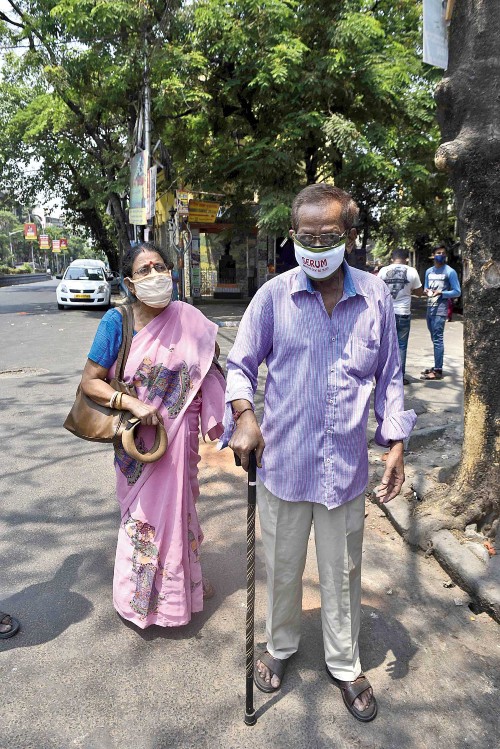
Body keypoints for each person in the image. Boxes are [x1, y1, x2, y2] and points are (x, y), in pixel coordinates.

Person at [222, 184, 416, 722]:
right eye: (305, 237)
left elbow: (390, 377)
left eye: (328, 237)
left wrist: (396, 441)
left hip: (345, 471)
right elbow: (239, 367)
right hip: (283, 466)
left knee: (343, 571)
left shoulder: (375, 297)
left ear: (350, 238)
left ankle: (345, 662)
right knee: (282, 569)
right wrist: (244, 417)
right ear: (292, 236)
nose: (315, 248)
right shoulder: (273, 296)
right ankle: (279, 646)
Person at [80, 242, 225, 628]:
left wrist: (229, 421)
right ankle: (141, 601)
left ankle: (183, 588)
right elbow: (90, 382)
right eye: (144, 270)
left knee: (182, 511)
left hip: (181, 443)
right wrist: (132, 405)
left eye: (160, 266)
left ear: (172, 273)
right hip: (137, 445)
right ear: (129, 282)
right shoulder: (118, 322)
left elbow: (210, 371)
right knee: (142, 520)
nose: (154, 275)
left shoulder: (189, 318)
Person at [378, 248, 423, 384]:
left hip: (386, 313)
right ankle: (399, 377)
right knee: (401, 346)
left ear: (392, 258)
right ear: (406, 259)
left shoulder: (383, 271)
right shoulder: (412, 271)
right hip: (403, 313)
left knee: (384, 345)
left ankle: (383, 376)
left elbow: (376, 289)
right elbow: (419, 292)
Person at [421, 246, 461, 381]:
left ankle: (438, 370)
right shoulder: (428, 271)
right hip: (429, 308)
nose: (441, 255)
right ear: (433, 255)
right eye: (438, 253)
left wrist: (442, 293)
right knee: (434, 338)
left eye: (443, 253)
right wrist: (426, 291)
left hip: (441, 310)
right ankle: (436, 365)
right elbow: (426, 287)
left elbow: (457, 291)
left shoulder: (450, 272)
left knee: (438, 339)